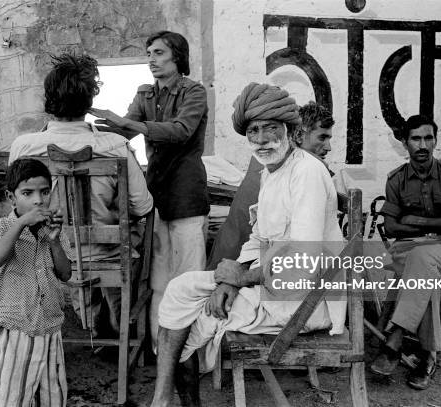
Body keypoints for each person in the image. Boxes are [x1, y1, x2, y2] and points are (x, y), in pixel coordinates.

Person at [150, 83, 345, 406]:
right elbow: (258, 240)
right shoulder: (271, 174)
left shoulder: (307, 173)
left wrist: (241, 280)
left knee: (195, 319)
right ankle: (163, 398)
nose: (263, 138)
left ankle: (170, 401)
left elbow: (303, 257)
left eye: (271, 128)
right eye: (254, 131)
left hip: (307, 299)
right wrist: (233, 277)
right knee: (179, 289)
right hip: (272, 285)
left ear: (290, 131)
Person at [9, 53, 153, 336]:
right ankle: (115, 323)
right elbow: (143, 205)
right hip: (106, 252)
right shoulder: (115, 145)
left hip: (48, 252)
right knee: (135, 235)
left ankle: (88, 321)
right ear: (89, 103)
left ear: (49, 100)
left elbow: (17, 207)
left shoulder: (23, 147)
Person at [88, 31, 209, 349]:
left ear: (177, 57)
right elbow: (123, 133)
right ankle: (160, 348)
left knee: (190, 278)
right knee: (158, 280)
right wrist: (87, 125)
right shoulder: (145, 94)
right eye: (149, 53)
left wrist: (126, 124)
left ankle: (190, 351)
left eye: (158, 53)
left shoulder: (193, 92)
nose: (151, 60)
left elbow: (180, 132)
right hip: (156, 196)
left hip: (187, 198)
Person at [370, 114, 441, 390]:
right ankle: (428, 356)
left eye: (428, 138)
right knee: (423, 266)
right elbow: (390, 227)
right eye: (416, 138)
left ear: (436, 141)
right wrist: (422, 227)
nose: (423, 145)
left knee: (423, 261)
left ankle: (395, 337)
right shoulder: (396, 179)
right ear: (404, 143)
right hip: (406, 250)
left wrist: (415, 222)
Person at [206, 100, 342, 270]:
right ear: (299, 134)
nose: (328, 147)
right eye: (322, 137)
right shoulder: (278, 166)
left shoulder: (281, 163)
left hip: (264, 265)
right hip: (245, 257)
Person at [0, 158, 72, 407]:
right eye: (27, 193)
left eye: (44, 192)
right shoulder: (1, 226)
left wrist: (54, 240)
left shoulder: (52, 230)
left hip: (50, 325)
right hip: (16, 327)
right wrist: (21, 223)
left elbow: (65, 273)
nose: (38, 200)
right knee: (10, 398)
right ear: (11, 198)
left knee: (52, 396)